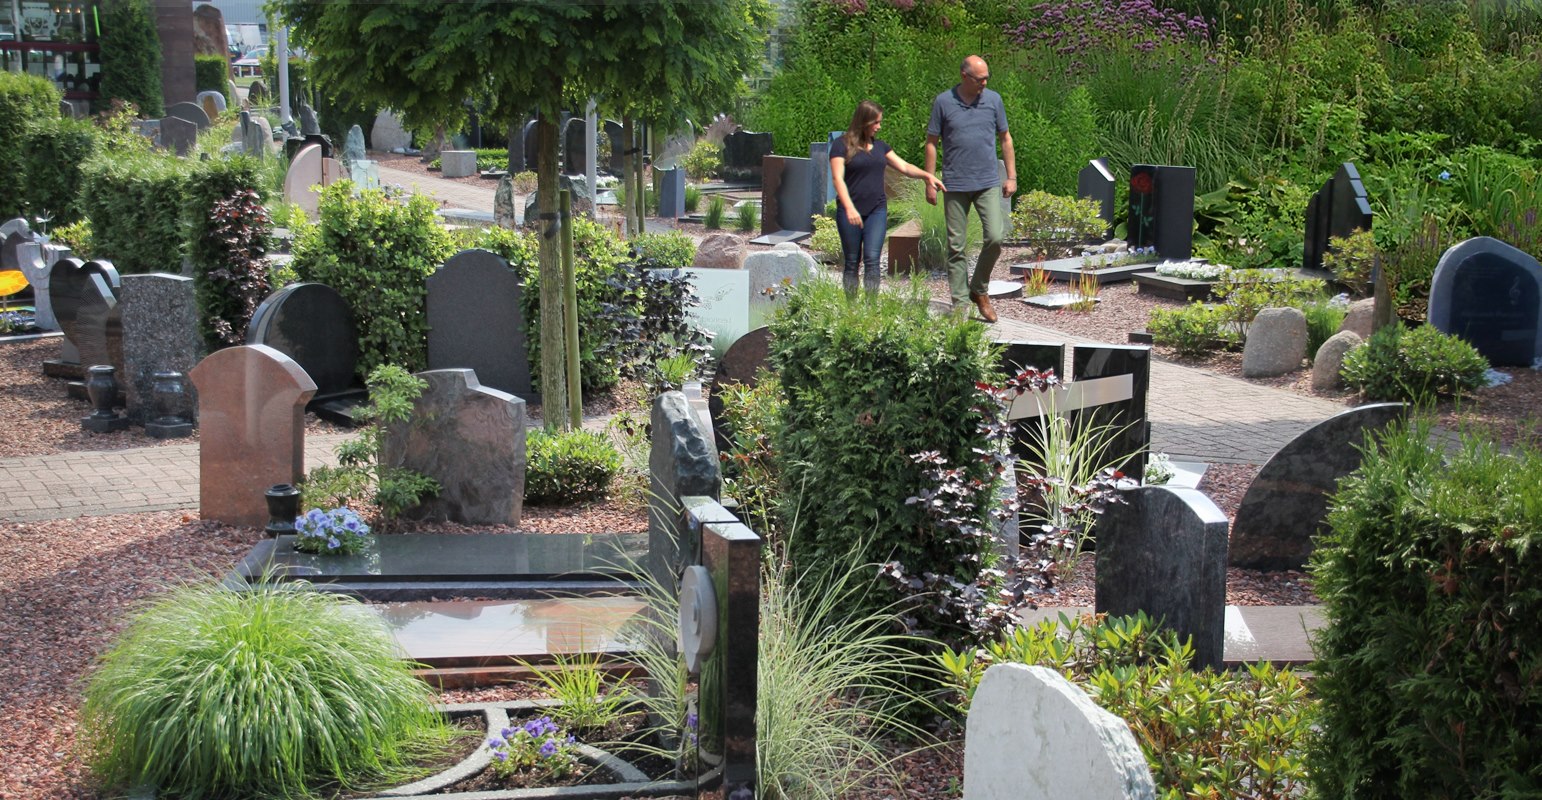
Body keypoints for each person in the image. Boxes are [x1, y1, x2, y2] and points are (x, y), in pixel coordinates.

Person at [924, 54, 1016, 322]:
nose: (985, 83)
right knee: (956, 246)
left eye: (987, 77)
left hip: (987, 181)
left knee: (996, 237)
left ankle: (979, 289)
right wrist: (930, 180)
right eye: (980, 79)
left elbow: (1006, 138)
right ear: (964, 76)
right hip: (954, 183)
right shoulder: (943, 102)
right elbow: (931, 142)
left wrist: (1011, 176)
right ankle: (960, 303)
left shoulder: (994, 101)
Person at [830, 100, 945, 296]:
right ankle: (850, 310)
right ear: (864, 121)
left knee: (872, 259)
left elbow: (905, 167)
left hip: (876, 210)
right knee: (852, 261)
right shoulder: (841, 146)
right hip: (850, 211)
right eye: (876, 122)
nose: (879, 127)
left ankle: (871, 308)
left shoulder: (881, 147)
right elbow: (837, 178)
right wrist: (849, 208)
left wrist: (927, 176)